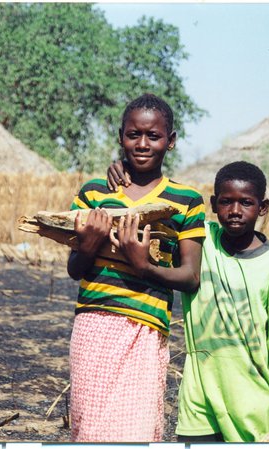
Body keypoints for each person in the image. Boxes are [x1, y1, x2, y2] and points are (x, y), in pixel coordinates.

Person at [107, 160, 269, 442]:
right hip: (199, 399)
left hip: (253, 400)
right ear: (213, 203)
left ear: (262, 207)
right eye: (226, 202)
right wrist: (128, 173)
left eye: (246, 203)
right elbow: (156, 209)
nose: (235, 211)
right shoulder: (201, 241)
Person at [67, 93, 205, 442]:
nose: (142, 144)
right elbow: (75, 269)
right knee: (90, 429)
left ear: (170, 141)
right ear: (120, 137)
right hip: (94, 324)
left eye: (154, 136)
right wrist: (88, 244)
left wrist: (143, 267)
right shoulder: (95, 193)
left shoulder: (186, 201)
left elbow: (190, 277)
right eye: (133, 135)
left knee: (136, 430)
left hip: (145, 328)